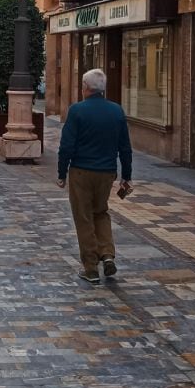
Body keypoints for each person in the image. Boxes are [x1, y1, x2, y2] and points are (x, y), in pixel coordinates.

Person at [57, 68, 133, 284]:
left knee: (83, 217)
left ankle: (90, 267)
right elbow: (125, 147)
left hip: (81, 171)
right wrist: (126, 175)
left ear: (85, 87)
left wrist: (62, 173)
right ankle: (107, 255)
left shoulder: (77, 111)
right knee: (101, 212)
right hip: (107, 172)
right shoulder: (116, 111)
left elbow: (66, 146)